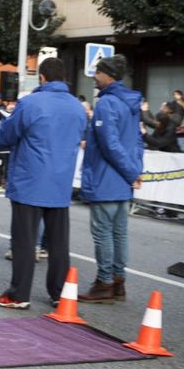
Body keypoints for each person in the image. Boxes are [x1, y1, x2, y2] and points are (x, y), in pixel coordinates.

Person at [0, 57, 86, 310]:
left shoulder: (31, 103)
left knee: (24, 241)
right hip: (61, 182)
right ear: (64, 77)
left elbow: (4, 136)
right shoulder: (77, 107)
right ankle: (60, 293)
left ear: (42, 77)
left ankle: (19, 294)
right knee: (58, 244)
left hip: (30, 180)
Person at [78, 54, 144, 304]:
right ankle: (118, 282)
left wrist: (131, 172)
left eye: (97, 72)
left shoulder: (106, 103)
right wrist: (135, 171)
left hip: (106, 178)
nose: (94, 77)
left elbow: (109, 144)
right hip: (123, 180)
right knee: (119, 233)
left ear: (108, 75)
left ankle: (104, 283)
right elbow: (137, 142)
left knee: (103, 233)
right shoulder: (131, 103)